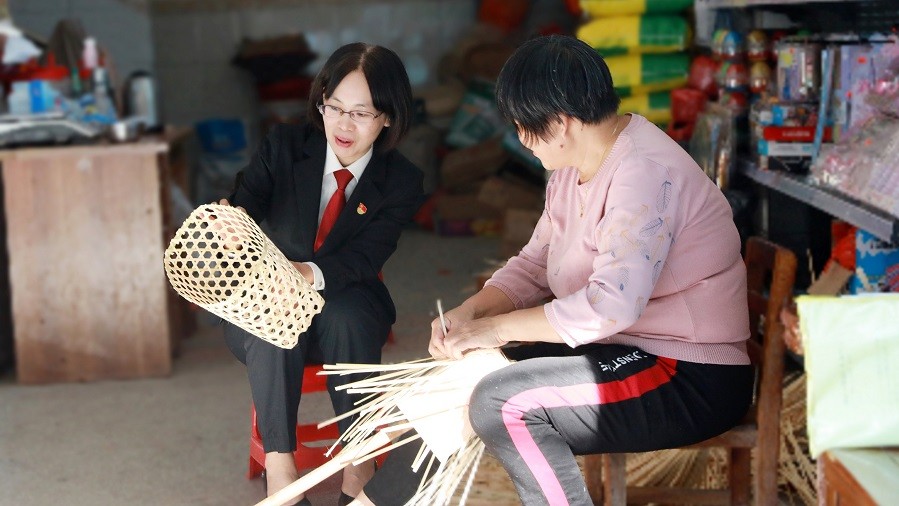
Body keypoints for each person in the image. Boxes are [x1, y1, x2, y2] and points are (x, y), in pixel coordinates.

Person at [354, 34, 754, 506]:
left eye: (525, 126)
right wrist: (471, 314)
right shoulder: (571, 167)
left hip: (686, 374)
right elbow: (535, 263)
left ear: (562, 123)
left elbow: (611, 306)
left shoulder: (642, 173)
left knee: (507, 403)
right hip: (625, 351)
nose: (521, 139)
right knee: (459, 381)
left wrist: (497, 331)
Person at [219, 42, 424, 506]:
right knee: (276, 316)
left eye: (362, 113)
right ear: (321, 103)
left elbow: (366, 258)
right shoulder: (285, 146)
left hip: (346, 308)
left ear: (388, 117)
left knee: (347, 315)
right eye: (334, 108)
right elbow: (246, 200)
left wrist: (306, 274)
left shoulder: (402, 181)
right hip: (266, 312)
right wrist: (232, 220)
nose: (344, 125)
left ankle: (359, 462)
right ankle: (281, 471)